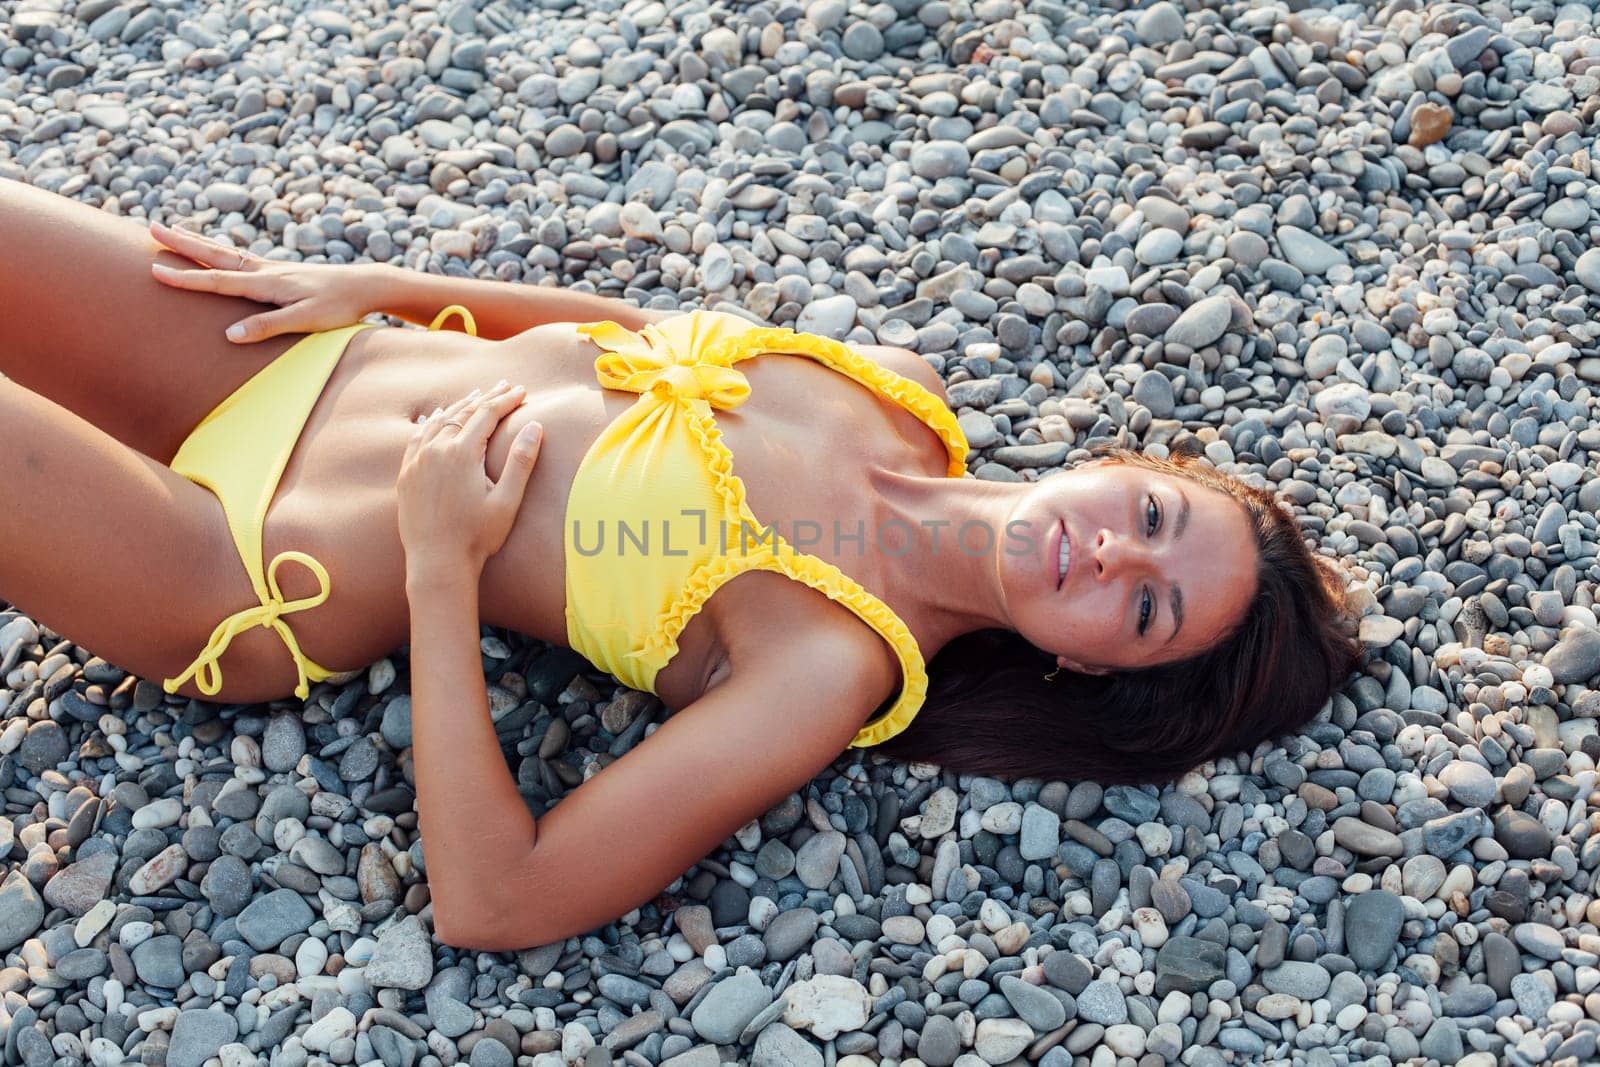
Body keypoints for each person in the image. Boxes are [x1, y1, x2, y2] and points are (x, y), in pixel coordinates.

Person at [0, 179, 1361, 951]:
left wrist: (438, 570)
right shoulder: (896, 390)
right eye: (1158, 517)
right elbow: (642, 333)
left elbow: (498, 899)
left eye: (1146, 604)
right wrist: (378, 283)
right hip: (300, 354)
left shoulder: (829, 665)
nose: (1115, 549)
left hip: (241, 566)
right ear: (1135, 467)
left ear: (1087, 663)